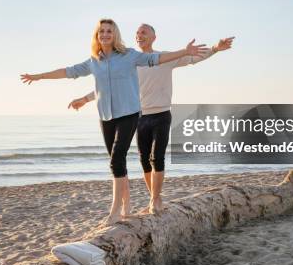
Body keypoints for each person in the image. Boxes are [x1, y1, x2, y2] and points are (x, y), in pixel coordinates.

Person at [20, 19, 208, 226]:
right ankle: (126, 206)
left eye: (109, 31)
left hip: (129, 114)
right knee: (118, 162)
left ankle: (116, 211)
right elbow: (68, 72)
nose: (105, 34)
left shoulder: (128, 55)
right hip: (106, 116)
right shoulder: (94, 61)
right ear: (97, 35)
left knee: (117, 160)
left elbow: (157, 58)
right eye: (102, 31)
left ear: (115, 34)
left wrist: (184, 51)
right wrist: (39, 77)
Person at [69, 23, 234, 214]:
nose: (140, 35)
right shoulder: (131, 62)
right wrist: (84, 99)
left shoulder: (164, 58)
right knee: (145, 161)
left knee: (158, 158)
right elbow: (107, 87)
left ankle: (155, 199)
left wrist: (215, 48)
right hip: (139, 116)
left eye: (144, 32)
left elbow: (192, 58)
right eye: (137, 33)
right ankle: (154, 197)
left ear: (153, 37)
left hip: (161, 114)